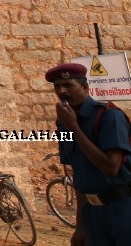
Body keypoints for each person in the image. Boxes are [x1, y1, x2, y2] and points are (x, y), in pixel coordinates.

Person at [48, 62, 131, 246]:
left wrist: (74, 128)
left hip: (122, 207)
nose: (62, 91)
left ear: (85, 87)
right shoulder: (64, 124)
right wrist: (80, 226)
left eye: (68, 85)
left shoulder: (110, 117)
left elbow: (111, 167)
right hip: (93, 213)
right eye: (57, 87)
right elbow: (79, 177)